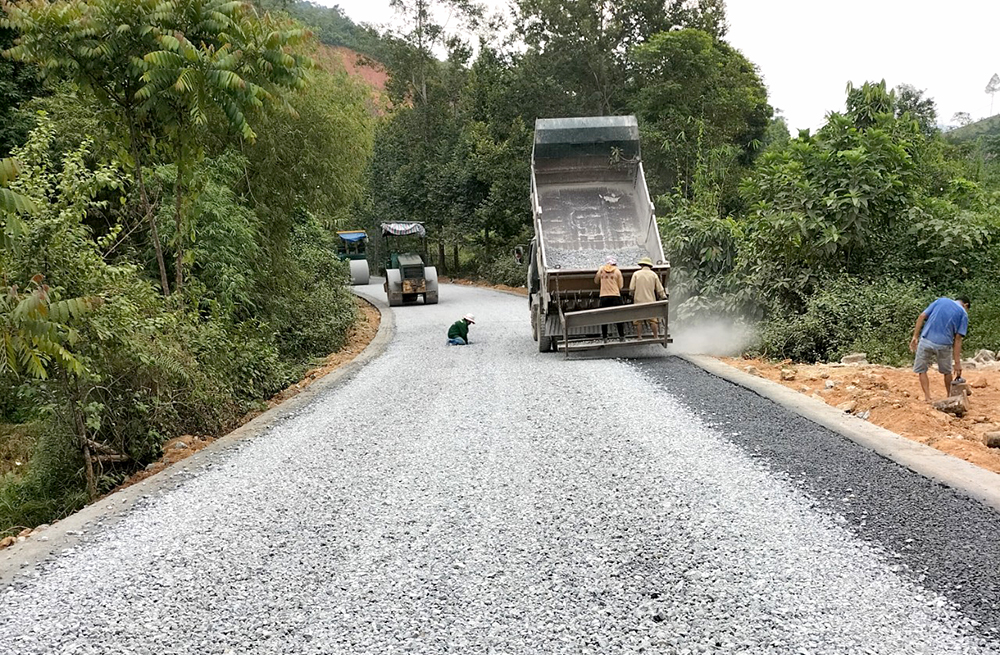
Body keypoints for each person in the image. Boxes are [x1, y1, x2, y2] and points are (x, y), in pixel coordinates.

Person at [910, 297, 970, 401]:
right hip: (944, 345)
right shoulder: (963, 313)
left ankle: (928, 397)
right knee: (947, 372)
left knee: (922, 370)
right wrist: (957, 363)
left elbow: (922, 316)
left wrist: (915, 337)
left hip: (926, 340)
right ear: (965, 305)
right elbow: (958, 339)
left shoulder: (941, 300)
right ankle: (950, 397)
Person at [629, 257, 665, 340]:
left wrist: (631, 295)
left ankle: (639, 337)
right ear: (650, 266)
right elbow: (659, 289)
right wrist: (663, 297)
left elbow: (631, 288)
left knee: (638, 320)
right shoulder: (653, 275)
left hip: (638, 300)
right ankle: (656, 337)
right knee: (653, 319)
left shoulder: (636, 274)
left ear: (641, 265)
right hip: (650, 301)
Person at [594, 256, 625, 341]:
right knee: (618, 317)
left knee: (604, 317)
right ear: (614, 263)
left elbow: (596, 281)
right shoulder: (617, 271)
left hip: (603, 296)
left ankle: (605, 337)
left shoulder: (601, 270)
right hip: (615, 296)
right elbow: (621, 286)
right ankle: (621, 336)